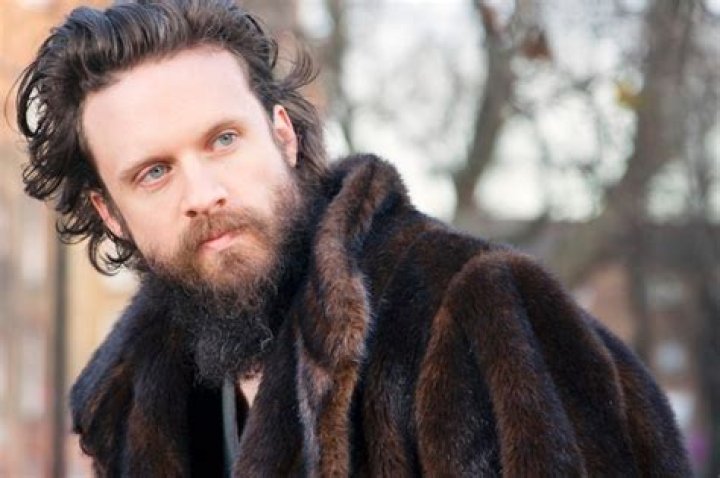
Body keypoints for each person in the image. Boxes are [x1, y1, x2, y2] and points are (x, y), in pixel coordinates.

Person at [15, 1, 690, 476]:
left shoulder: (474, 310)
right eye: (154, 172)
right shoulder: (133, 406)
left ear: (283, 136)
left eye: (223, 139)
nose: (203, 193)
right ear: (111, 213)